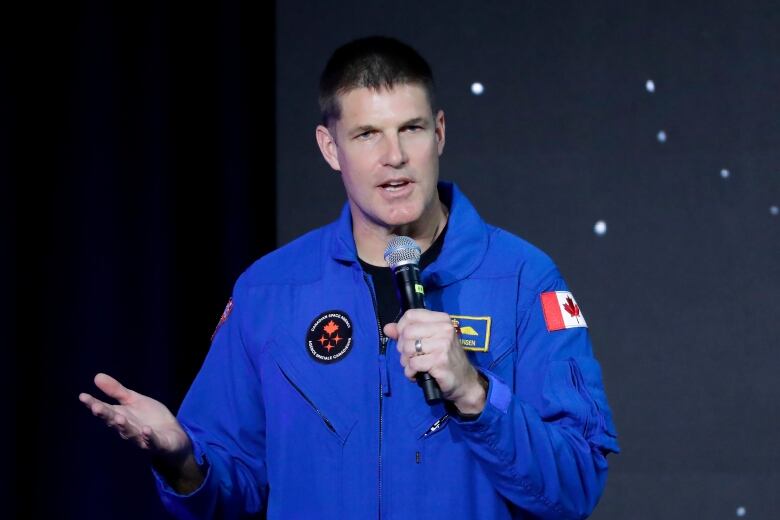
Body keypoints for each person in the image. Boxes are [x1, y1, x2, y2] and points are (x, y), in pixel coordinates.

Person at [80, 36, 619, 519]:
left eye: (411, 129)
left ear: (439, 132)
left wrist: (476, 394)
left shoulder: (524, 279)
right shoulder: (269, 291)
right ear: (330, 147)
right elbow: (230, 490)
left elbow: (574, 487)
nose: (395, 157)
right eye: (367, 134)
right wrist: (180, 458)